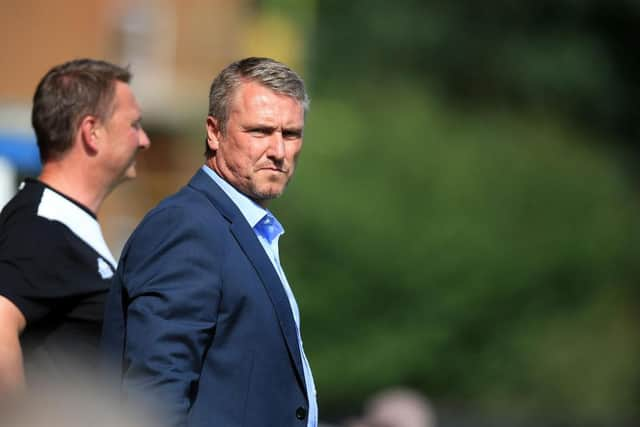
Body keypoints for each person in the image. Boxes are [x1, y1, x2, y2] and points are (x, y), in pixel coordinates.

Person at [101, 57, 317, 427]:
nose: (279, 151)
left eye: (291, 134)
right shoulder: (187, 227)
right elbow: (154, 398)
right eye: (260, 131)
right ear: (214, 132)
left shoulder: (245, 228)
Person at [0, 58, 150, 396]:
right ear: (91, 132)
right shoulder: (40, 226)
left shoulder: (60, 222)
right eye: (134, 125)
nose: (144, 140)